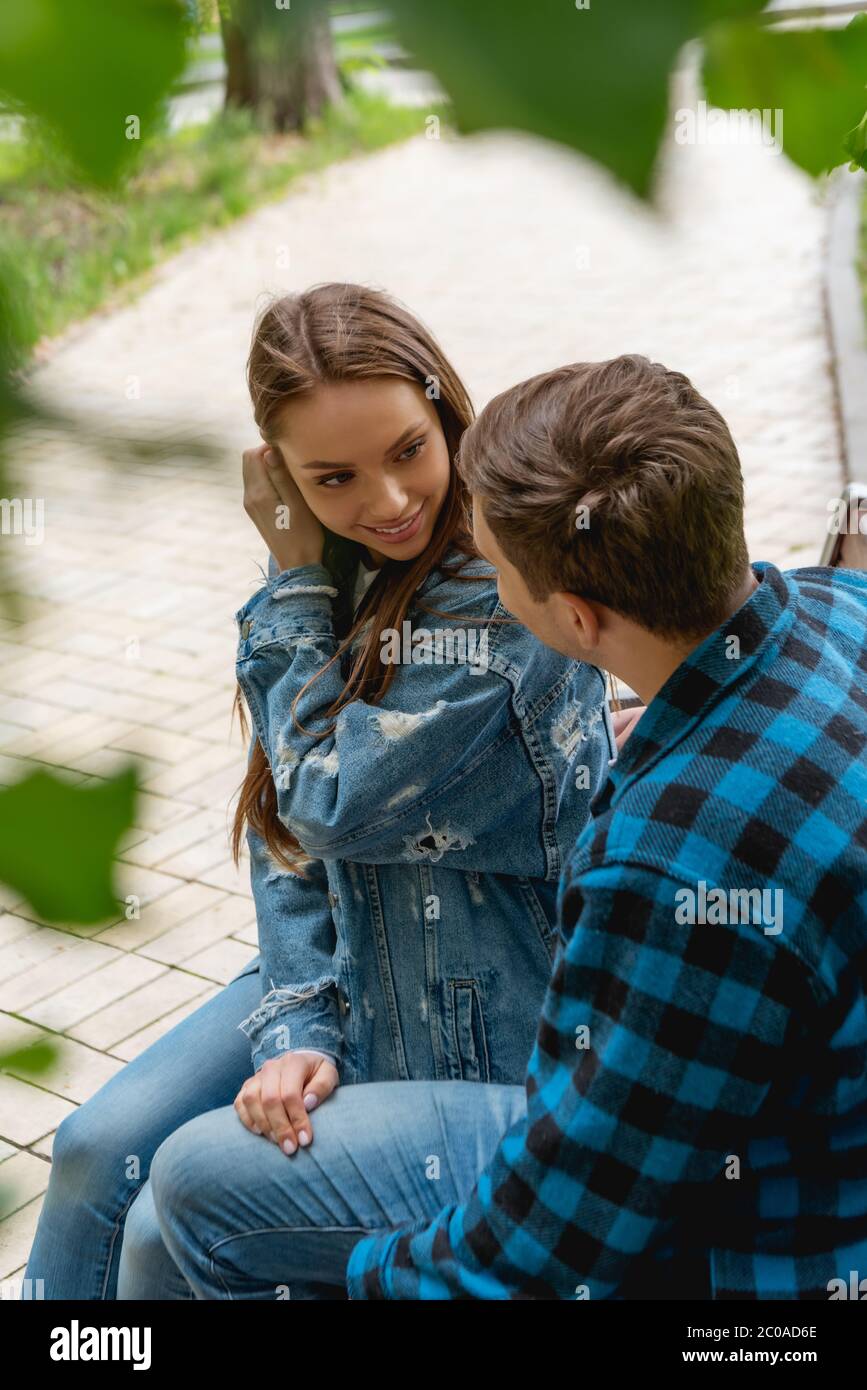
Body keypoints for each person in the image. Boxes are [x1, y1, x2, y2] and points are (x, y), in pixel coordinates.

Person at [147, 354, 867, 1300]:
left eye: (491, 564)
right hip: (786, 1114)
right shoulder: (836, 606)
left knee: (195, 1192)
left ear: (571, 615)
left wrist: (356, 1278)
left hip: (753, 1257)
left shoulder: (662, 868)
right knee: (146, 1226)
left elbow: (543, 1251)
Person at [24, 285, 613, 1299]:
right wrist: (299, 1026)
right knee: (91, 1147)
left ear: (447, 419)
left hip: (486, 1025)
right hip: (341, 962)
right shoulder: (334, 572)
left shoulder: (502, 599)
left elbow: (330, 800)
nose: (385, 501)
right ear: (281, 478)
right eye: (333, 477)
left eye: (406, 451)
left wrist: (293, 589)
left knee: (168, 1214)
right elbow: (286, 842)